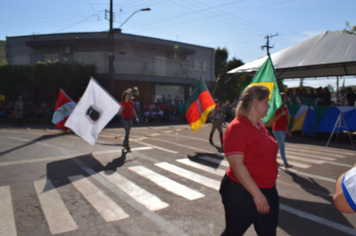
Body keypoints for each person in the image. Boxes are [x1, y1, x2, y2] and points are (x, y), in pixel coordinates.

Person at [219, 85, 279, 236]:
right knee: (234, 232)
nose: (269, 105)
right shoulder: (237, 128)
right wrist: (257, 195)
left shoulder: (259, 125)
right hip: (242, 191)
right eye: (266, 101)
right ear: (256, 103)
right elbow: (236, 164)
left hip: (268, 189)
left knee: (268, 232)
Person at [272, 93, 293, 169]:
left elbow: (286, 119)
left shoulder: (285, 107)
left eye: (285, 98)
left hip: (283, 129)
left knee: (278, 146)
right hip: (277, 129)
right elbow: (273, 119)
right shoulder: (276, 108)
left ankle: (273, 160)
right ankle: (285, 163)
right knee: (282, 146)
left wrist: (288, 129)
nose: (285, 100)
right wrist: (280, 114)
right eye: (284, 98)